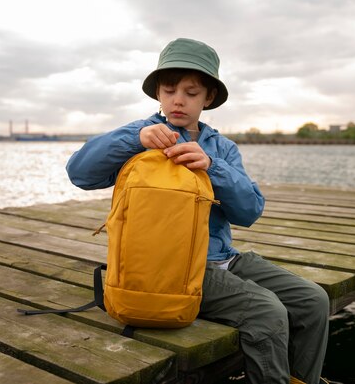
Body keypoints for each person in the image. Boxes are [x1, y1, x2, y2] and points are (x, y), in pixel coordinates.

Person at [65, 38, 329, 384]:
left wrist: (212, 167)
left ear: (209, 99)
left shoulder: (222, 148)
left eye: (191, 93)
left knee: (314, 300)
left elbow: (249, 211)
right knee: (267, 311)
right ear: (158, 94)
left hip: (224, 258)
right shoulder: (140, 137)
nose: (178, 99)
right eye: (170, 89)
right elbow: (80, 173)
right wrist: (135, 139)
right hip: (169, 270)